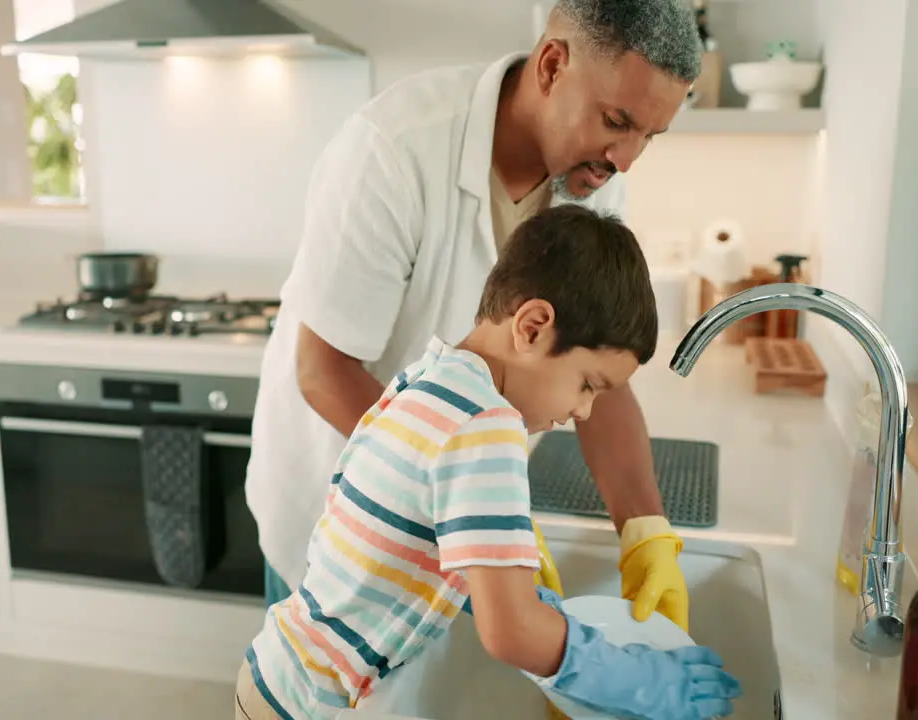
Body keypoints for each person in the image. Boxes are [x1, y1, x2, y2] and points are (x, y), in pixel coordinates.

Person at [245, 0, 702, 631]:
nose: (625, 159)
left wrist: (644, 526)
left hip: (458, 517)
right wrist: (481, 511)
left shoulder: (591, 174)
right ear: (551, 65)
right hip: (342, 523)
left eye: (647, 136)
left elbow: (599, 357)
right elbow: (324, 373)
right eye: (616, 122)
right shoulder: (394, 150)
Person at [235, 206, 741, 720]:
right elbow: (512, 633)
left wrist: (522, 593)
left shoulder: (433, 377)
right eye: (587, 384)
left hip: (279, 676)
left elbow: (413, 536)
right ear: (533, 327)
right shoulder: (488, 424)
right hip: (313, 707)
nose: (582, 412)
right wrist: (640, 679)